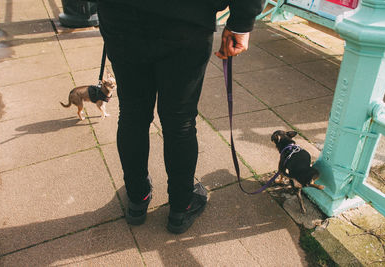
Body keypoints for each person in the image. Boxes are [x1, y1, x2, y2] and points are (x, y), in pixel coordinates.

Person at [97, 0, 264, 234]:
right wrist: (241, 22)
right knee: (180, 121)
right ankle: (180, 206)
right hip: (188, 19)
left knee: (132, 113)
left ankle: (137, 198)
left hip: (121, 16)